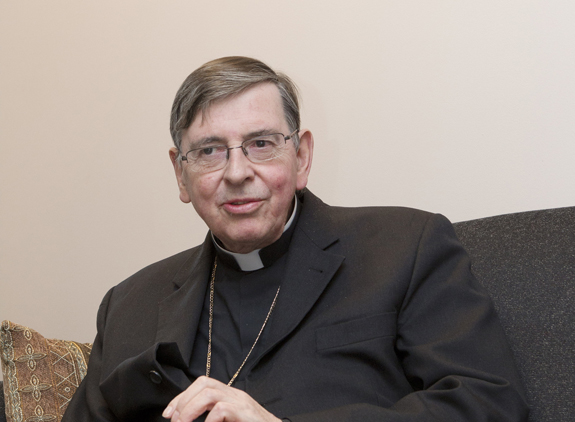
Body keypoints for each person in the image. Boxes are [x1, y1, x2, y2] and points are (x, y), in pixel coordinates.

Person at [63, 56, 529, 422]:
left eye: (261, 143)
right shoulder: (128, 305)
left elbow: (489, 405)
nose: (238, 172)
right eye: (209, 151)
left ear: (302, 156)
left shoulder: (406, 247)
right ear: (180, 175)